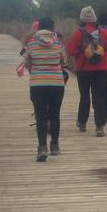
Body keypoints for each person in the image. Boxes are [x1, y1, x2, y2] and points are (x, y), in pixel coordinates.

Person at [65, 5, 107, 137]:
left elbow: (70, 50)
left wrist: (80, 53)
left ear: (81, 18)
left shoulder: (79, 33)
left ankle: (82, 122)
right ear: (94, 19)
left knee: (84, 96)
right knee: (98, 96)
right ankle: (99, 126)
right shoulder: (102, 32)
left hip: (83, 69)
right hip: (102, 69)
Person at [22, 17, 68, 162]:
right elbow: (64, 62)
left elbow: (27, 63)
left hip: (38, 84)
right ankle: (54, 145)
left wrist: (36, 69)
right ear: (52, 28)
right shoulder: (58, 43)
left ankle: (42, 147)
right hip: (56, 84)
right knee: (54, 115)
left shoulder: (31, 43)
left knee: (41, 117)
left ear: (39, 28)